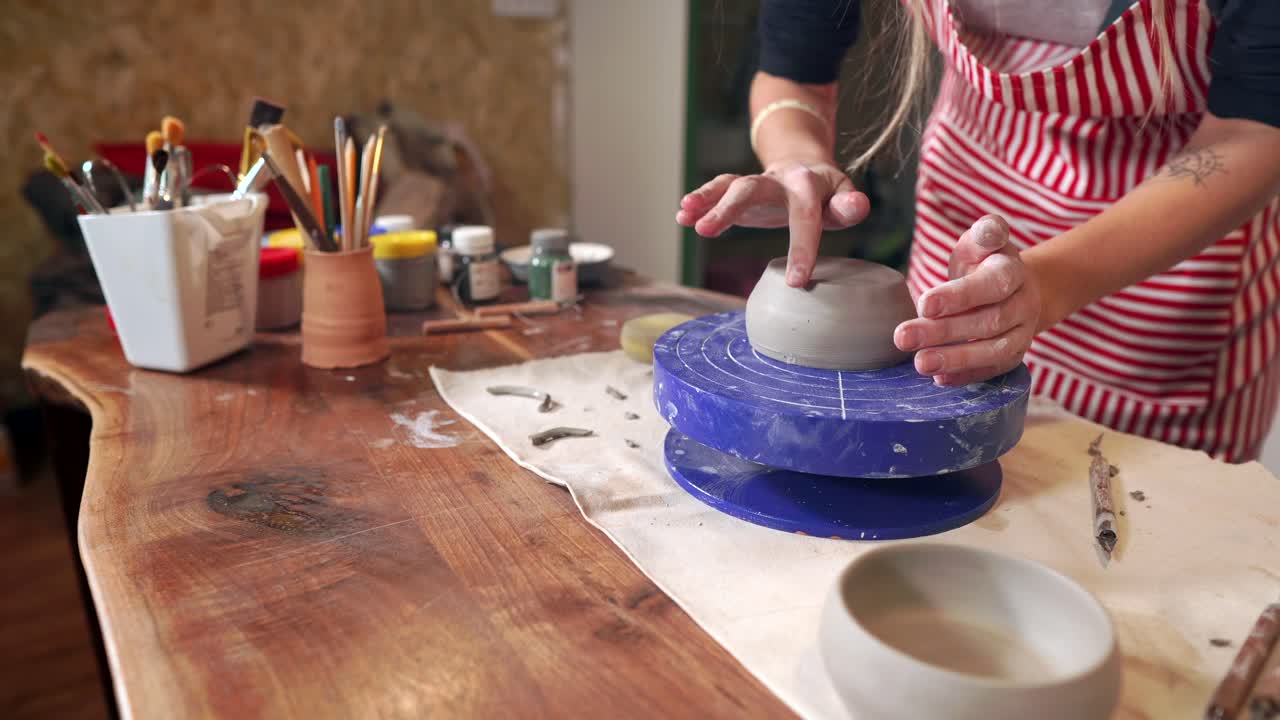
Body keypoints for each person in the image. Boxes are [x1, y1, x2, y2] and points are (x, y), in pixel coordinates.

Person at [677, 0, 1280, 461]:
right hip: (964, 235)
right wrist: (794, 155)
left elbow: (1257, 129)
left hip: (1167, 270)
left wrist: (1049, 282)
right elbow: (793, 75)